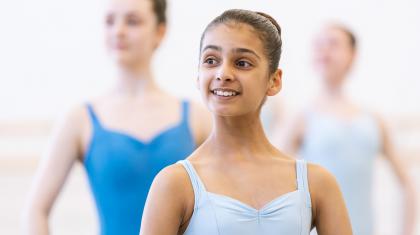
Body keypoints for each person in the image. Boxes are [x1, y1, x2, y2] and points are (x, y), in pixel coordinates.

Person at [140, 9, 352, 235]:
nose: (223, 73)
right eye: (211, 60)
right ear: (198, 75)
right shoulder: (173, 184)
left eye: (242, 63)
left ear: (274, 80)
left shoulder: (316, 183)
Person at [22, 0, 211, 234]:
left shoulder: (198, 119)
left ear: (160, 31)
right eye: (110, 21)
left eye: (132, 21)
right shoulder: (79, 120)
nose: (118, 31)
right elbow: (35, 210)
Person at [284, 24, 416, 235]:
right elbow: (276, 184)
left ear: (352, 55)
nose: (324, 50)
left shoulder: (373, 119)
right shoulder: (301, 118)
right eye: (319, 45)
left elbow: (407, 185)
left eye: (333, 44)